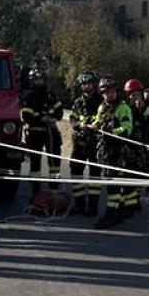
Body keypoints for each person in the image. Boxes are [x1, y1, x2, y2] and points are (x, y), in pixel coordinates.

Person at [92, 77, 133, 229]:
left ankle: (110, 215)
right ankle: (119, 213)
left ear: (116, 91)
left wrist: (112, 132)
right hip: (104, 151)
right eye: (105, 92)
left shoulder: (123, 108)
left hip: (117, 151)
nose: (108, 95)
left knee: (113, 185)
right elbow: (97, 121)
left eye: (111, 91)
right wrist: (92, 126)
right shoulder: (102, 107)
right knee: (112, 183)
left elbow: (127, 128)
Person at [19, 67, 65, 199]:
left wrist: (53, 118)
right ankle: (36, 193)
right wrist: (41, 118)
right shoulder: (28, 96)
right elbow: (27, 116)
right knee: (35, 163)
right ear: (31, 81)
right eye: (36, 80)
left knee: (54, 161)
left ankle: (53, 191)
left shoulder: (50, 95)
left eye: (40, 79)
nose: (38, 82)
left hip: (50, 132)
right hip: (35, 133)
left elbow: (59, 112)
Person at [68, 71, 102, 217]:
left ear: (94, 84)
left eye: (88, 83)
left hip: (95, 143)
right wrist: (78, 125)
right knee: (75, 172)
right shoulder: (78, 102)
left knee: (95, 175)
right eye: (84, 84)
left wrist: (92, 125)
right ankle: (79, 204)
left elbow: (103, 119)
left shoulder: (101, 101)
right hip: (80, 142)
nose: (86, 86)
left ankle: (92, 206)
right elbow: (72, 119)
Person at [122, 79, 149, 217]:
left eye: (137, 94)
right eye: (132, 95)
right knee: (127, 177)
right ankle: (128, 204)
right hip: (127, 148)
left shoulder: (146, 108)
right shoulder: (124, 108)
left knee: (140, 176)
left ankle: (135, 200)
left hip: (141, 148)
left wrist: (143, 108)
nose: (135, 97)